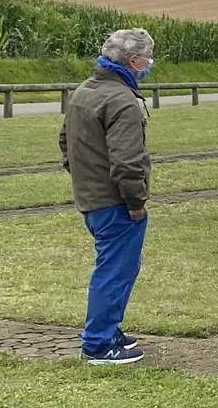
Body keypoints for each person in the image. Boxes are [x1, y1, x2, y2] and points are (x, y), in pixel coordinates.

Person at [58, 28, 157, 365]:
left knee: (118, 267)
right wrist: (136, 201)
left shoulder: (84, 91)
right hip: (116, 202)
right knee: (115, 270)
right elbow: (127, 161)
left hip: (91, 197)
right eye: (147, 58)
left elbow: (64, 142)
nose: (149, 64)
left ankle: (109, 328)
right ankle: (98, 344)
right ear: (133, 61)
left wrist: (84, 181)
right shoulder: (121, 100)